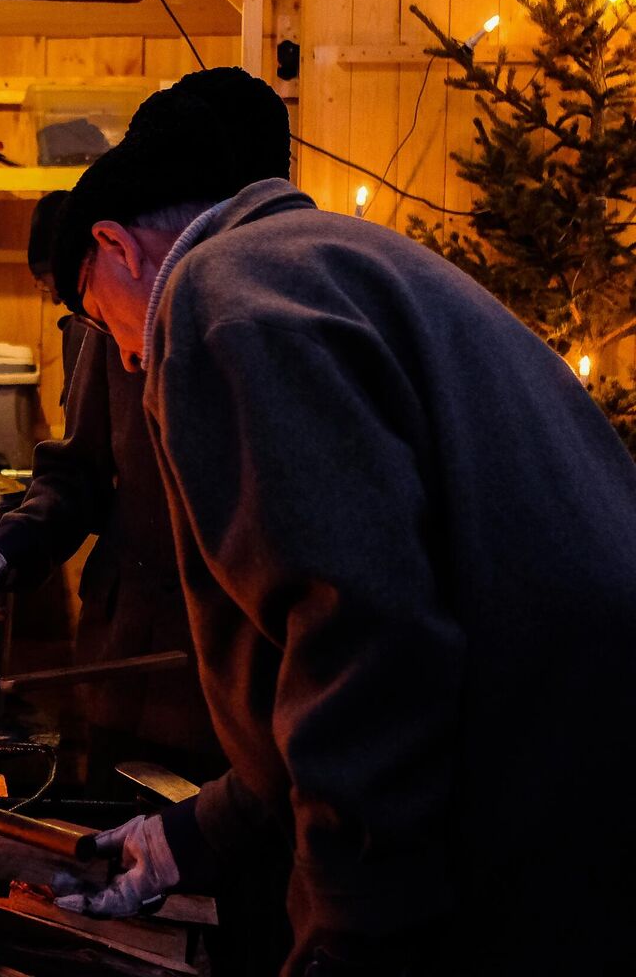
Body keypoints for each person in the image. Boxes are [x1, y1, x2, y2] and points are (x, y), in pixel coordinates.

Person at [45, 90, 636, 974]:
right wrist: (188, 838)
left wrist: (353, 928)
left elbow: (358, 628)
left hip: (529, 809)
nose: (127, 358)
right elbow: (321, 641)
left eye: (104, 323)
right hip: (584, 777)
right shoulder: (336, 258)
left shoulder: (218, 295)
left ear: (115, 247)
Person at [0, 68, 292, 786]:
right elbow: (77, 470)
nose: (134, 354)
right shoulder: (111, 319)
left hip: (232, 690)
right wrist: (10, 550)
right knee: (109, 864)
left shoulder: (272, 325)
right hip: (122, 664)